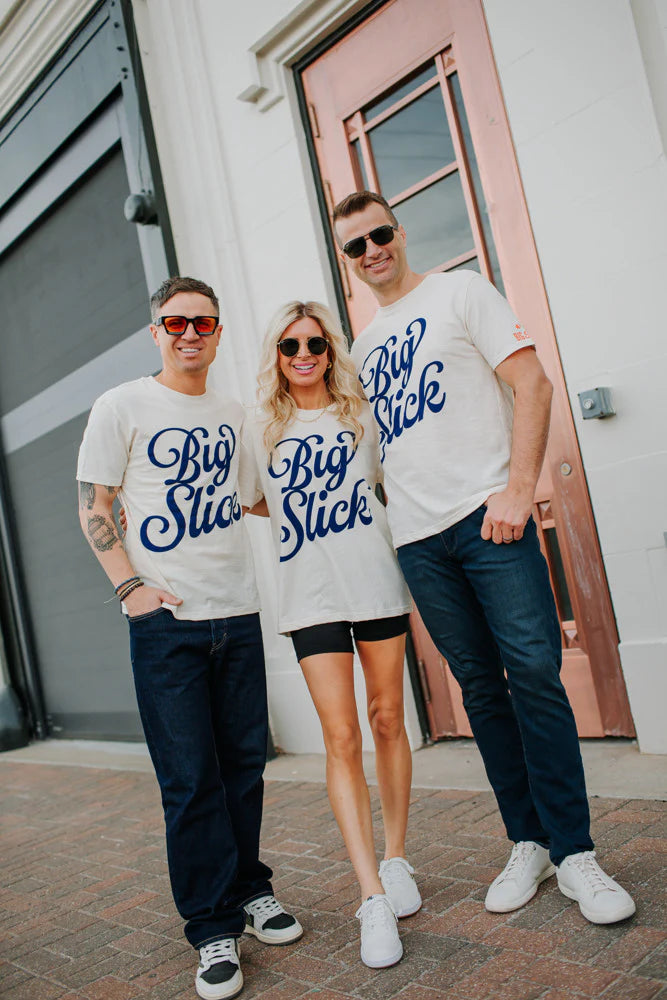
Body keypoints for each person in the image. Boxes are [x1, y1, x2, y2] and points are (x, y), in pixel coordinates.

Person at [332, 191, 636, 926]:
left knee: (532, 672)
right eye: (355, 245)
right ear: (347, 261)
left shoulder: (461, 293)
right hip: (418, 541)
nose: (372, 250)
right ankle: (527, 840)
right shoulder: (361, 350)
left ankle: (575, 852)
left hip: (488, 520)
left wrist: (518, 490)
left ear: (400, 233)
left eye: (379, 234)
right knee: (479, 687)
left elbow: (532, 383)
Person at [77, 276, 302, 1000]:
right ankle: (211, 927)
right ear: (156, 332)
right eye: (175, 323)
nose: (189, 334)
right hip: (166, 625)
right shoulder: (121, 406)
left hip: (237, 615)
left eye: (202, 323)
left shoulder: (234, 414)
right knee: (190, 780)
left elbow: (255, 498)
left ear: (218, 332)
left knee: (243, 769)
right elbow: (94, 505)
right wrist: (130, 590)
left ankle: (249, 888)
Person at [242, 300, 420, 968]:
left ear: (329, 350)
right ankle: (371, 895)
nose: (303, 355)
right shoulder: (260, 428)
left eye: (314, 343)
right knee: (341, 736)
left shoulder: (361, 416)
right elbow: (253, 498)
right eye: (289, 345)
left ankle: (396, 858)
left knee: (387, 718)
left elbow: (385, 483)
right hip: (310, 598)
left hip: (374, 584)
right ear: (276, 355)